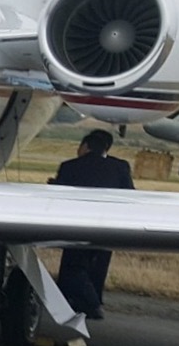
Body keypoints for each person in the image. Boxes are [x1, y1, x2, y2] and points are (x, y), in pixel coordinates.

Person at [48, 128, 135, 319]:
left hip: (76, 224)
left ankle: (87, 304)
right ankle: (92, 301)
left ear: (85, 146)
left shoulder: (69, 166)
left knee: (72, 266)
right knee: (98, 266)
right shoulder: (119, 167)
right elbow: (130, 195)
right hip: (108, 225)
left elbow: (59, 194)